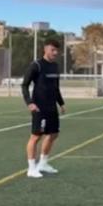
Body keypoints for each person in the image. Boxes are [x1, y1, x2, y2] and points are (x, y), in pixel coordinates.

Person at [21, 39, 66, 179]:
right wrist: (29, 102)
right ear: (45, 49)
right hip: (39, 108)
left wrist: (61, 103)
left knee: (53, 134)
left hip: (52, 107)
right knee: (36, 136)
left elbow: (56, 87)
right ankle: (31, 168)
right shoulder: (36, 65)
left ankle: (43, 164)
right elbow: (24, 85)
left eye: (57, 50)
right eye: (52, 50)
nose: (55, 53)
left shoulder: (55, 67)